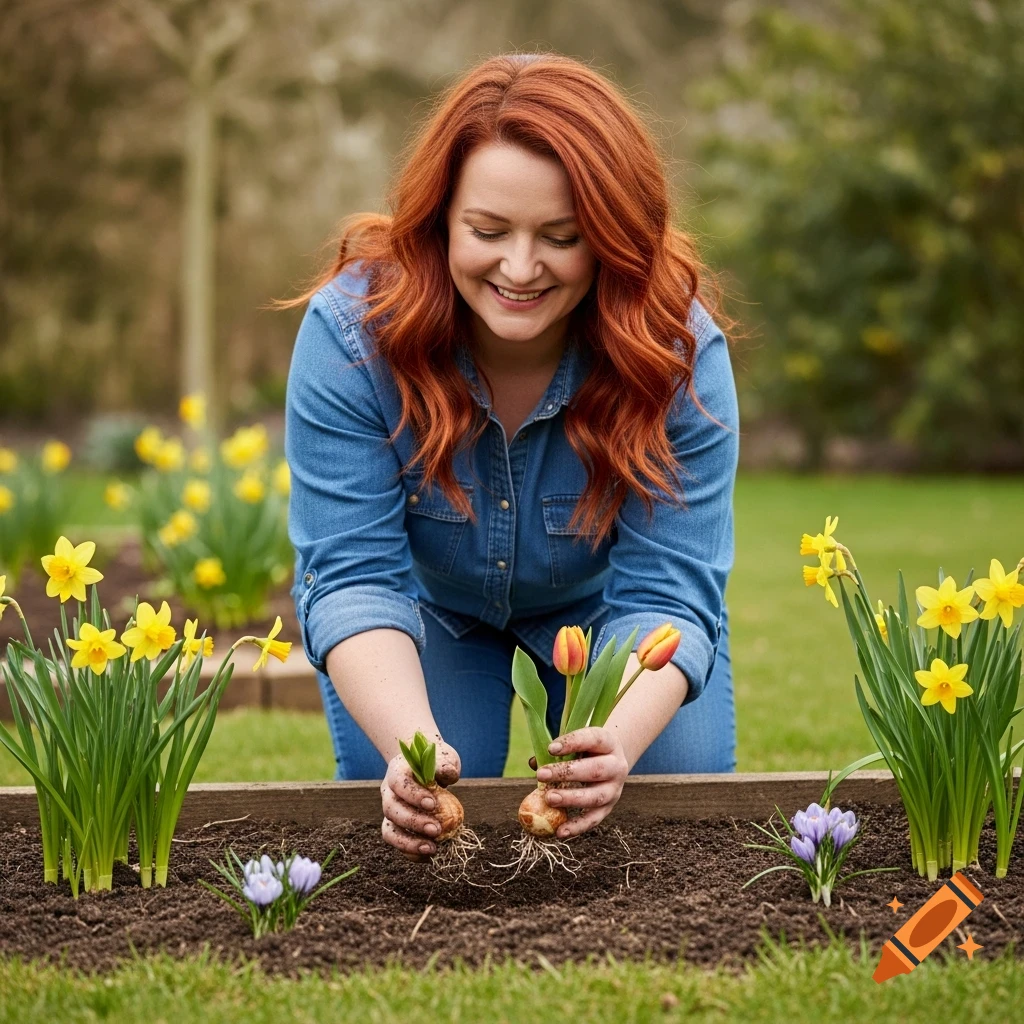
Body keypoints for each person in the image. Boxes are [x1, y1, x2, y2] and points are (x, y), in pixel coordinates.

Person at [279, 52, 740, 859]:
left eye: (562, 238)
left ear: (611, 238)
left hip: (605, 613)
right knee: (416, 802)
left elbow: (669, 587)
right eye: (488, 232)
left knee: (667, 791)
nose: (520, 269)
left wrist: (617, 744)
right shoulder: (351, 338)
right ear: (441, 218)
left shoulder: (673, 349)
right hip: (430, 615)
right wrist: (410, 747)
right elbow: (351, 576)